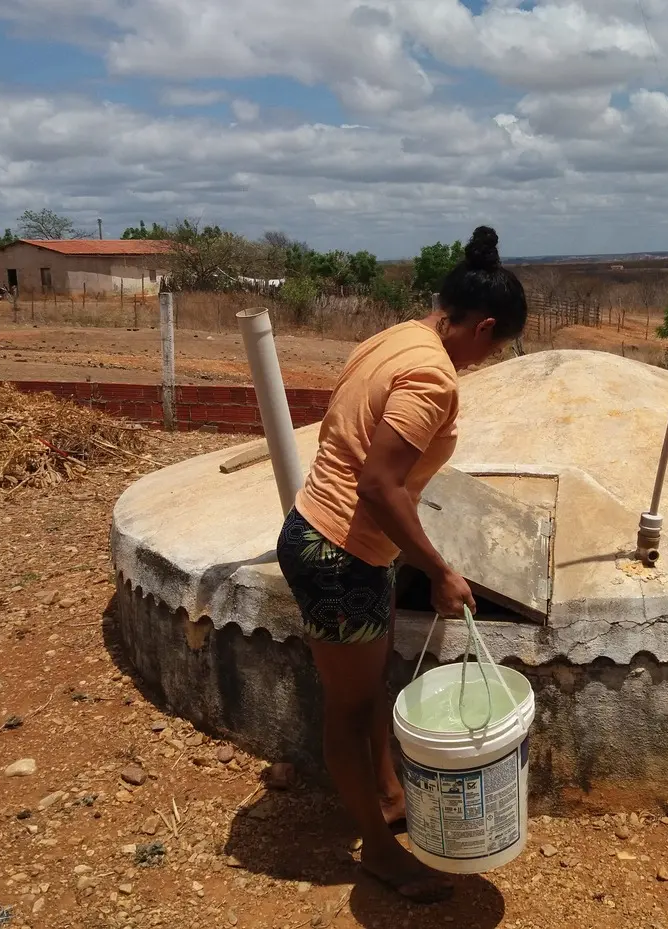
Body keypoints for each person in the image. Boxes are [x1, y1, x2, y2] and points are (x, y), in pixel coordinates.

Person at [276, 226, 527, 903]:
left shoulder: (393, 339)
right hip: (340, 552)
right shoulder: (430, 375)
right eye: (493, 348)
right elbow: (379, 484)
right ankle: (382, 853)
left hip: (329, 539)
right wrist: (440, 569)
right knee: (350, 710)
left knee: (367, 690)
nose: (483, 361)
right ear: (484, 326)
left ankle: (389, 797)